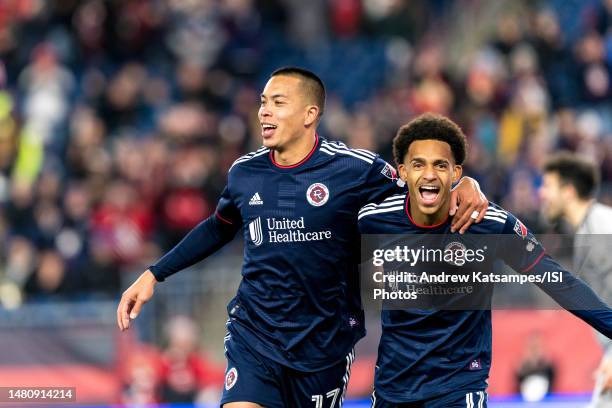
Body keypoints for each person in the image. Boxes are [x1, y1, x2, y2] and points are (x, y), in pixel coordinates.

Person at [117, 68, 488, 408]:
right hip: (255, 335)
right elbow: (219, 226)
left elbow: (421, 189)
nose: (264, 112)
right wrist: (155, 273)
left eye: (278, 103)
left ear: (310, 114)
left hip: (324, 345)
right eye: (263, 103)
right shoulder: (244, 172)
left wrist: (464, 183)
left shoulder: (354, 169)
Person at [358, 113, 612, 408]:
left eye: (440, 165)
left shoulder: (488, 223)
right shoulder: (374, 221)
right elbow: (326, 269)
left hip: (458, 389)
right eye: (418, 164)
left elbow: (559, 282)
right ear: (402, 172)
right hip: (392, 390)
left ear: (456, 173)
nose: (429, 174)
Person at [539, 152, 612, 407]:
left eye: (547, 186)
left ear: (568, 191)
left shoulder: (601, 228)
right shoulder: (588, 230)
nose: (542, 194)